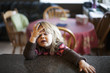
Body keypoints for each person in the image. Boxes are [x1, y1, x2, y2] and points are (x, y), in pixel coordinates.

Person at [23, 21, 96, 73]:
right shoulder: (36, 46)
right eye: (38, 35)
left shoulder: (57, 45)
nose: (42, 37)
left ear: (53, 35)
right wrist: (33, 38)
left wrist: (81, 62)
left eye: (45, 34)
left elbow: (69, 53)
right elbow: (28, 56)